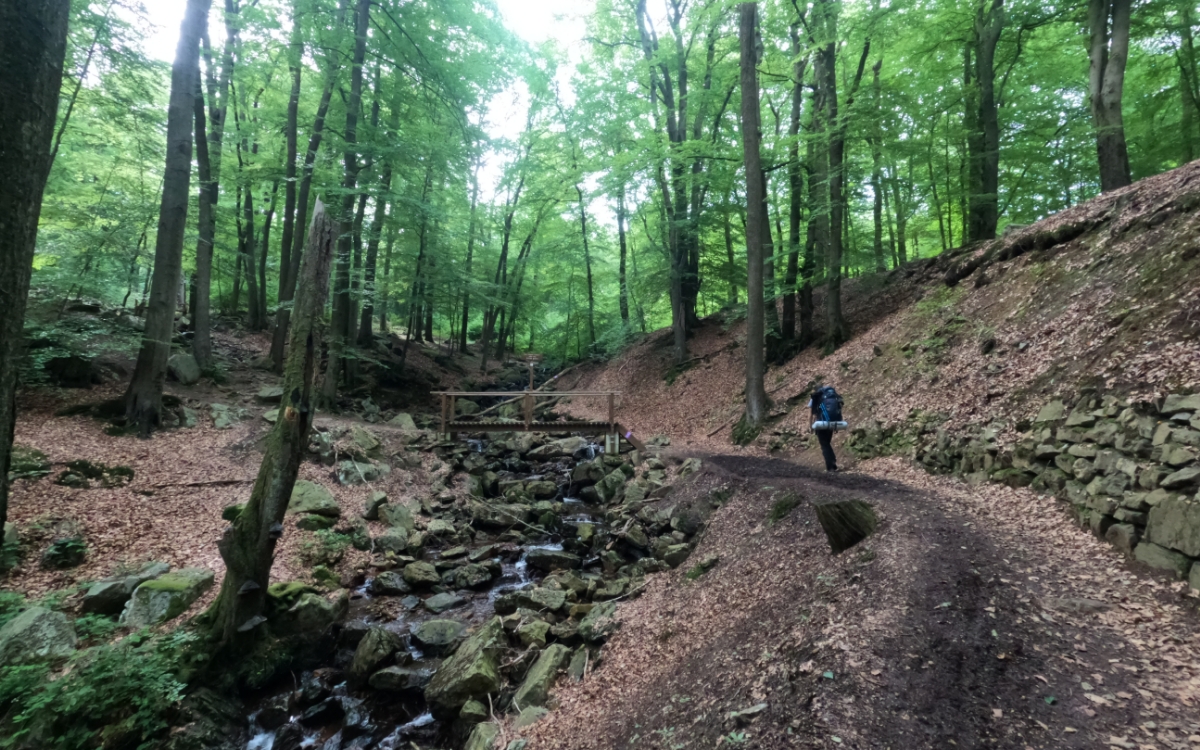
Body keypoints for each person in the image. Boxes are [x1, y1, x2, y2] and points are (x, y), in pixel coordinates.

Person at [808, 386, 843, 472]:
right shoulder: (831, 396)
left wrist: (810, 426)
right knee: (827, 443)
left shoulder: (816, 397)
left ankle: (831, 467)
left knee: (824, 445)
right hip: (832, 422)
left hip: (821, 423)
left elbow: (810, 414)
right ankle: (833, 463)